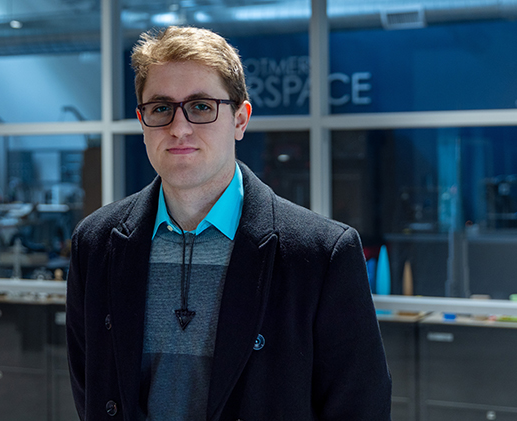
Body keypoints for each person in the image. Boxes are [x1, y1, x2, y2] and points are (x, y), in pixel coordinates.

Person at [66, 26, 391, 421]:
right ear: (142, 121)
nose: (179, 128)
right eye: (160, 108)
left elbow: (359, 407)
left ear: (240, 119)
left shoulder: (320, 254)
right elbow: (91, 390)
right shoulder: (96, 244)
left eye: (201, 107)